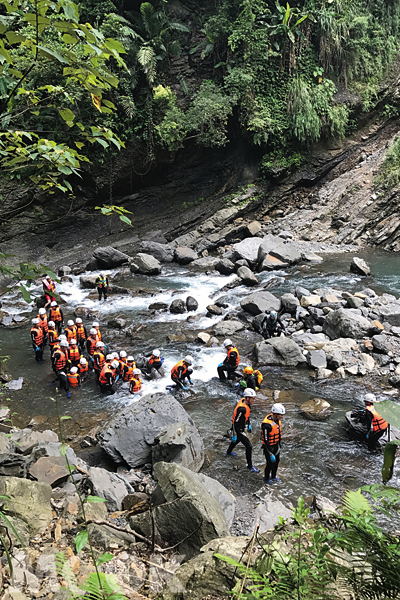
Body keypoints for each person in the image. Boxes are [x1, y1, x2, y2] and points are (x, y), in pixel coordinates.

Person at [226, 388, 260, 473]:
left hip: (242, 426)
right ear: (247, 398)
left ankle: (228, 452)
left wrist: (249, 424)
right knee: (249, 446)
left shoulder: (247, 403)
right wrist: (234, 433)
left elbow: (247, 416)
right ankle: (250, 466)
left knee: (237, 440)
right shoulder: (242, 409)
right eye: (253, 398)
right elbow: (235, 421)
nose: (254, 400)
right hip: (238, 429)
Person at [261, 403, 285, 484]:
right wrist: (270, 453)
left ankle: (274, 476)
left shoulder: (277, 421)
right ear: (275, 414)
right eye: (280, 415)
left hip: (275, 445)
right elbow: (266, 440)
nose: (282, 417)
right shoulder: (266, 425)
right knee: (269, 463)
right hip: (268, 447)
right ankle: (266, 478)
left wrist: (279, 444)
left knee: (277, 461)